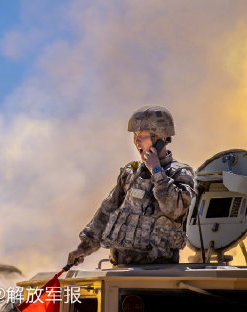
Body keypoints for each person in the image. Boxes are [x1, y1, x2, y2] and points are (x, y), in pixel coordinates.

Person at [67, 105, 195, 266]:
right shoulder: (130, 173)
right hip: (120, 268)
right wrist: (84, 248)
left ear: (160, 138)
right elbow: (106, 211)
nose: (136, 140)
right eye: (135, 135)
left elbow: (174, 208)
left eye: (142, 135)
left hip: (158, 273)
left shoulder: (180, 173)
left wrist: (156, 171)